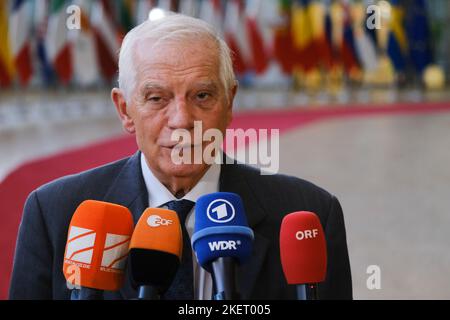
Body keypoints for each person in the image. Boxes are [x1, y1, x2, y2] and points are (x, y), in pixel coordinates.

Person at [9, 13, 352, 300]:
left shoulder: (309, 214)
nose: (182, 120)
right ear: (125, 109)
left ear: (230, 102)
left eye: (202, 95)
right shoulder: (54, 214)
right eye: (157, 98)